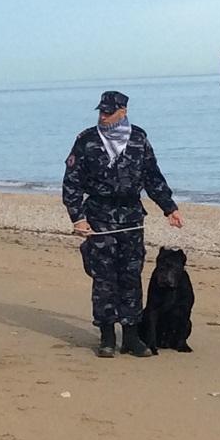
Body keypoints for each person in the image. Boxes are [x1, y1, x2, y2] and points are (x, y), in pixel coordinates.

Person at [63, 91, 183, 358]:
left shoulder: (139, 138)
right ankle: (106, 337)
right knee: (104, 278)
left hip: (131, 218)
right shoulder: (86, 140)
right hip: (99, 216)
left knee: (131, 276)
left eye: (108, 112)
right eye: (101, 111)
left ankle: (131, 336)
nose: (103, 116)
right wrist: (77, 217)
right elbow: (71, 181)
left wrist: (168, 207)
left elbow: (152, 175)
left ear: (123, 112)